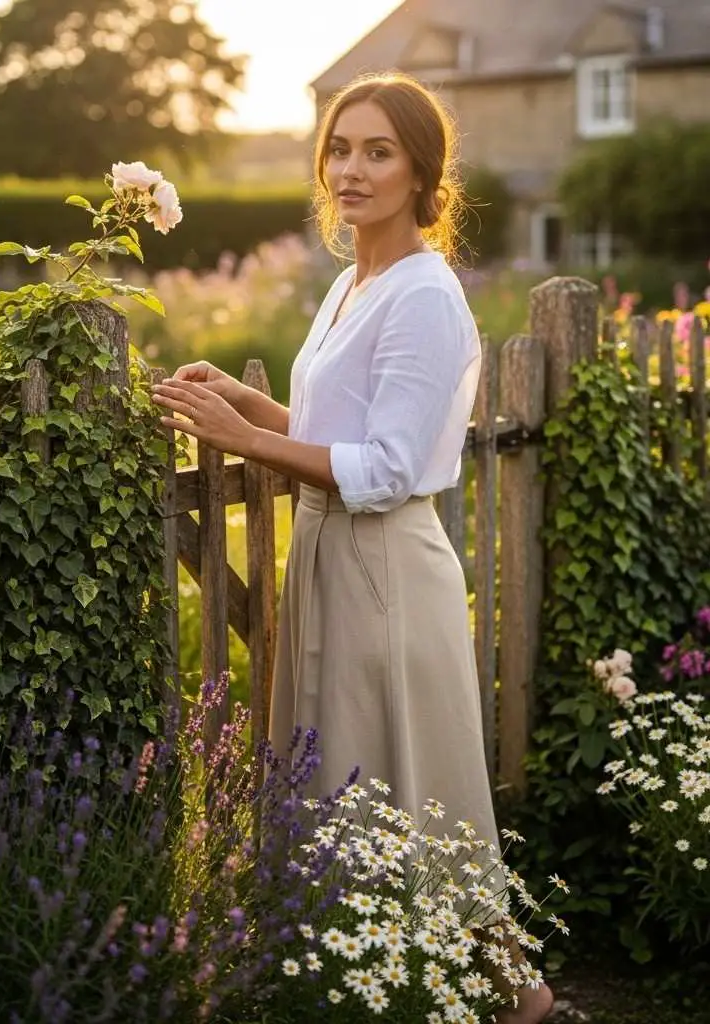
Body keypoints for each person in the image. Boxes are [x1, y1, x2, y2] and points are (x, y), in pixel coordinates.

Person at [151, 72, 553, 1024]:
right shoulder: (351, 283)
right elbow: (339, 432)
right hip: (332, 558)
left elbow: (385, 469)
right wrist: (256, 409)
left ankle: (510, 992)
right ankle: (398, 988)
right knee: (352, 787)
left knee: (415, 787)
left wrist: (244, 439)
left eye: (378, 151)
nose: (352, 169)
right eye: (340, 148)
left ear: (422, 172)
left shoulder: (424, 295)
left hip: (386, 571)